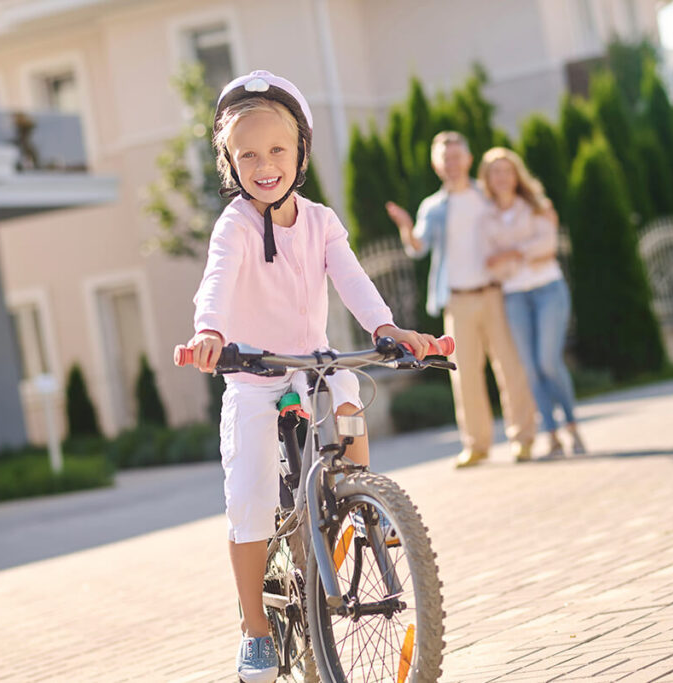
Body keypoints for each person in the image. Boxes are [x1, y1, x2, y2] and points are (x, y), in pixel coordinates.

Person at [187, 70, 437, 683]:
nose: (264, 165)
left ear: (300, 153)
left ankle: (362, 503)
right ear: (229, 162)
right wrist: (209, 332)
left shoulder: (321, 221)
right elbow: (217, 280)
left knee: (346, 392)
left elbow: (353, 280)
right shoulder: (235, 224)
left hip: (315, 363)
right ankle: (255, 630)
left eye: (277, 149)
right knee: (249, 499)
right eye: (247, 154)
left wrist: (387, 328)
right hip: (254, 372)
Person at [386, 132, 537, 468]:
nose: (452, 163)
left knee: (510, 368)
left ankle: (523, 438)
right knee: (464, 374)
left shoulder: (487, 195)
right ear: (436, 165)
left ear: (468, 160)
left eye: (457, 157)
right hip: (458, 300)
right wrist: (406, 228)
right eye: (445, 158)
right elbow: (418, 247)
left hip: (495, 293)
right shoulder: (433, 206)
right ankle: (476, 445)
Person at [477, 147, 585, 457]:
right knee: (530, 368)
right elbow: (491, 265)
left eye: (506, 171)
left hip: (548, 289)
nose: (501, 177)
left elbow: (547, 246)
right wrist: (525, 252)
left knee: (548, 361)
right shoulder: (486, 218)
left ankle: (572, 427)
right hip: (514, 296)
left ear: (516, 175)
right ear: (487, 179)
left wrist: (510, 253)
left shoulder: (538, 205)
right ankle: (552, 435)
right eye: (495, 172)